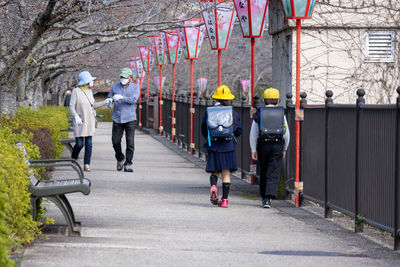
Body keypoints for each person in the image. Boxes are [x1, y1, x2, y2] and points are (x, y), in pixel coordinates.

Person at [201, 85, 242, 208]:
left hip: (213, 145)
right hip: (227, 146)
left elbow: (204, 128)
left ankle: (213, 186)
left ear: (216, 99)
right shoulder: (232, 112)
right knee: (226, 174)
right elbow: (238, 130)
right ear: (228, 99)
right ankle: (224, 200)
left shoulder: (209, 111)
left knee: (214, 172)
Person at [249, 88, 290, 208]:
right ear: (278, 100)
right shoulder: (281, 112)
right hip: (277, 145)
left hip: (262, 145)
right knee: (273, 170)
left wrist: (253, 149)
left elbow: (253, 133)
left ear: (264, 100)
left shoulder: (259, 112)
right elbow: (286, 133)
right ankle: (269, 197)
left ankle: (264, 197)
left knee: (263, 170)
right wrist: (285, 148)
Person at [69, 71, 112, 172]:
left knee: (89, 144)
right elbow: (71, 106)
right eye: (90, 81)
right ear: (85, 81)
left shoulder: (89, 91)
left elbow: (93, 105)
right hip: (80, 121)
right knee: (79, 144)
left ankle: (87, 164)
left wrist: (106, 102)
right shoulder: (76, 91)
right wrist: (75, 116)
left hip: (90, 120)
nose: (92, 82)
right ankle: (73, 158)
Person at [108, 67, 140, 172]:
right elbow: (110, 98)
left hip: (130, 118)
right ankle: (120, 158)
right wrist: (109, 102)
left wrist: (122, 97)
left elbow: (134, 100)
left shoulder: (135, 87)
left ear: (130, 77)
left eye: (125, 77)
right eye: (121, 77)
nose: (122, 78)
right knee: (115, 141)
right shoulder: (114, 86)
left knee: (130, 142)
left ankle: (128, 163)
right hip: (117, 118)